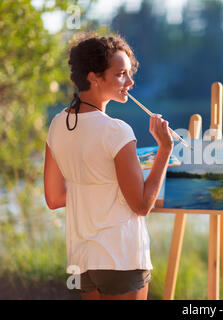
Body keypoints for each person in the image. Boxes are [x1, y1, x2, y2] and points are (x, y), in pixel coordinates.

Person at [43, 32, 173, 300]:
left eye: (129, 73)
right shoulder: (116, 131)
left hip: (82, 257)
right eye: (120, 74)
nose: (130, 81)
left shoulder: (57, 125)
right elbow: (141, 205)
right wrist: (164, 150)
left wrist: (102, 190)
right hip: (121, 257)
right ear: (93, 77)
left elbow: (54, 198)